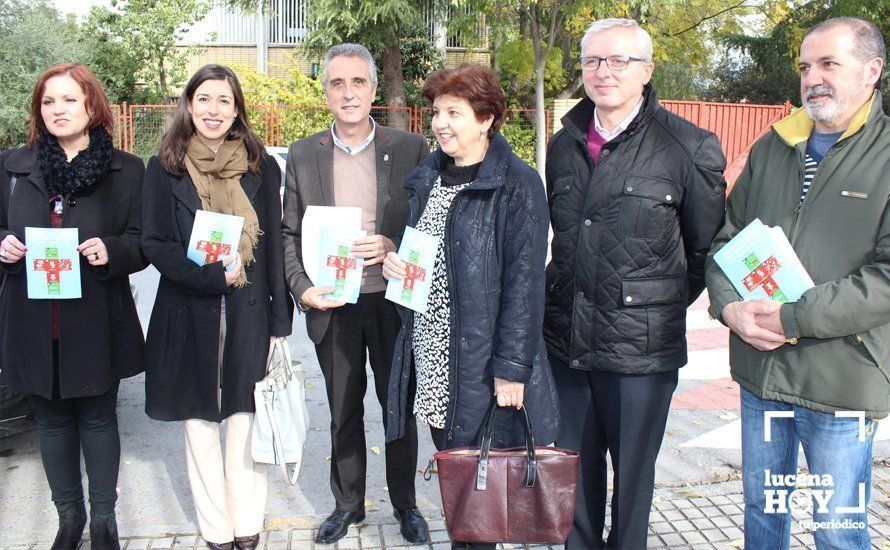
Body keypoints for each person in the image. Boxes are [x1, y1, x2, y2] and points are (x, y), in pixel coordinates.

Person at [543, 18, 728, 549]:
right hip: (568, 342)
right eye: (593, 61)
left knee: (632, 486)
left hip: (641, 352)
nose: (605, 72)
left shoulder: (688, 147)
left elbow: (701, 253)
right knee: (573, 478)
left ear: (646, 70)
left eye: (619, 60)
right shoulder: (564, 144)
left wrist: (647, 304)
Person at [705, 17, 888, 549]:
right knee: (763, 511)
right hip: (763, 373)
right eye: (806, 66)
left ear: (872, 71)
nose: (813, 78)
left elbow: (886, 278)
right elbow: (725, 241)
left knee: (837, 527)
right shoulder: (773, 148)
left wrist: (791, 317)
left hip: (843, 377)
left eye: (829, 63)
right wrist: (729, 309)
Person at [384, 64, 561, 550]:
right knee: (461, 488)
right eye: (437, 111)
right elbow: (427, 257)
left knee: (484, 498)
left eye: (454, 112)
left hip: (483, 368)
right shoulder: (429, 181)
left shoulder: (518, 184)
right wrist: (398, 265)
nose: (441, 122)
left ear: (486, 119)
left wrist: (511, 369)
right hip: (433, 358)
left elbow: (526, 286)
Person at [280, 43, 429, 545]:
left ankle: (406, 504)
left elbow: (429, 225)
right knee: (343, 410)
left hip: (391, 302)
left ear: (372, 89)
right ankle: (348, 505)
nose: (348, 93)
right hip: (334, 303)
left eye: (357, 83)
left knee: (398, 409)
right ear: (325, 93)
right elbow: (288, 233)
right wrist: (303, 290)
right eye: (336, 84)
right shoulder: (303, 154)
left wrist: (394, 244)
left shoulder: (410, 148)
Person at [141, 64, 292, 550]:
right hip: (187, 310)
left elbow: (269, 245)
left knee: (245, 421)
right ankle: (215, 530)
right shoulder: (163, 167)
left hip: (247, 310)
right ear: (188, 104)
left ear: (236, 108)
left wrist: (279, 320)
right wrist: (210, 277)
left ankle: (247, 527)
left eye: (223, 101)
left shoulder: (261, 166)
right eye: (203, 99)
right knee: (201, 424)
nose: (213, 110)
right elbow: (156, 245)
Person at [0, 62, 146, 549]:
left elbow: (143, 241)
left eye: (68, 99)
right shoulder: (13, 168)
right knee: (51, 421)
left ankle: (104, 520)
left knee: (99, 418)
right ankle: (70, 519)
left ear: (91, 105)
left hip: (96, 318)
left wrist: (114, 250)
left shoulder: (126, 169)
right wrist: (2, 243)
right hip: (33, 319)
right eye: (48, 101)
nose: (57, 109)